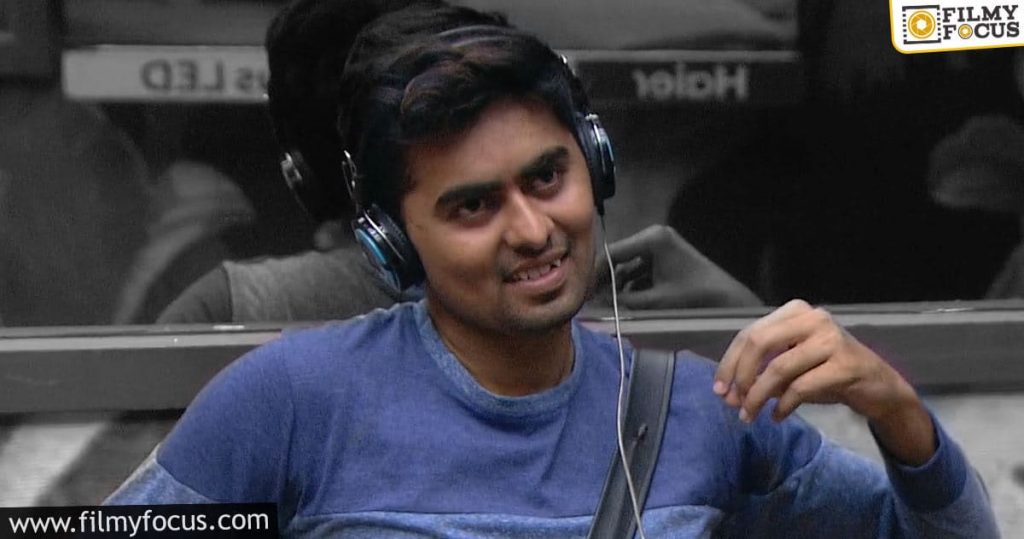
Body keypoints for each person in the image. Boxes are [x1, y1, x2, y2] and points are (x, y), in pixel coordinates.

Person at [107, 1, 997, 537]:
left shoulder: (702, 414)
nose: (532, 230)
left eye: (546, 178)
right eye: (472, 206)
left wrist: (896, 410)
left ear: (595, 166)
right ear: (391, 238)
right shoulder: (290, 401)